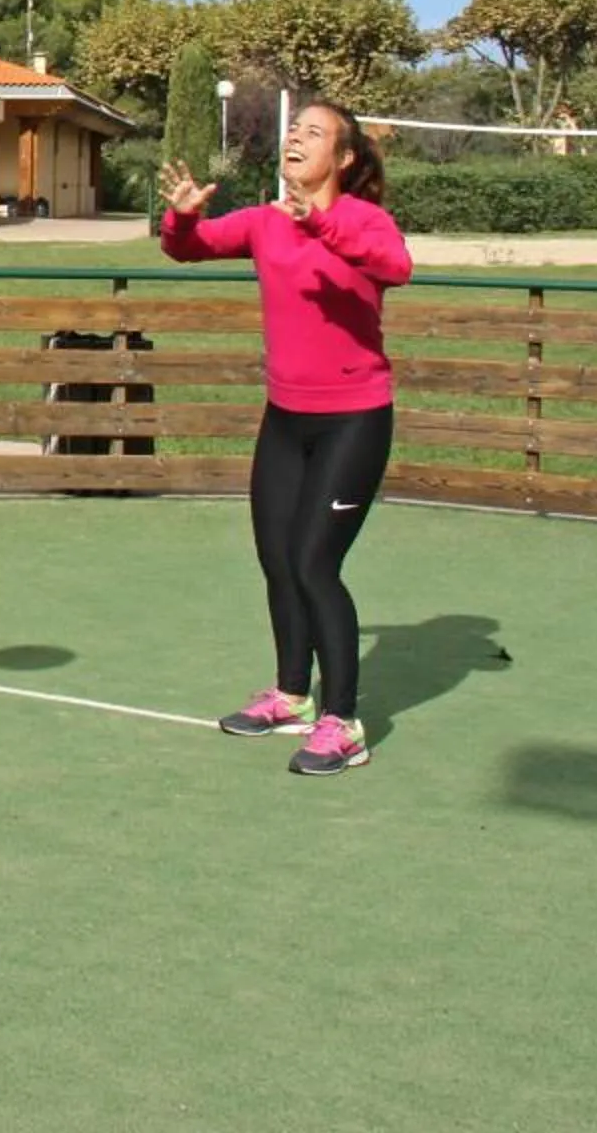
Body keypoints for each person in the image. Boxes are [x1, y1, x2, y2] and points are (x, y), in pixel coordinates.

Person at [159, 100, 412, 777]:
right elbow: (187, 246)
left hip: (354, 420)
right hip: (285, 419)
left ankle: (344, 723)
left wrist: (321, 223)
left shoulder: (364, 220)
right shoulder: (266, 222)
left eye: (314, 132)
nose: (296, 138)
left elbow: (394, 266)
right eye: (293, 129)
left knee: (313, 564)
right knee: (277, 559)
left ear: (344, 157)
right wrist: (182, 216)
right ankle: (293, 695)